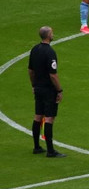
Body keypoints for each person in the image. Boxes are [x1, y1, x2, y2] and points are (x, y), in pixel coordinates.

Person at [28, 26, 65, 158]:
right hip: (49, 89)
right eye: (52, 33)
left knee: (38, 115)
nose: (53, 34)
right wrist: (59, 90)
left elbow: (31, 71)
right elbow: (53, 75)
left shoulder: (34, 49)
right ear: (48, 35)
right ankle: (50, 150)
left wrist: (34, 85)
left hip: (38, 87)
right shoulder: (50, 52)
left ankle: (37, 146)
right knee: (49, 118)